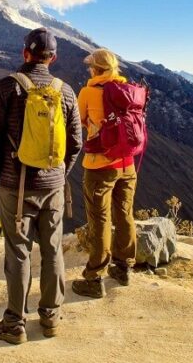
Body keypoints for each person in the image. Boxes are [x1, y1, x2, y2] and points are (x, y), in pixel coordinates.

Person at [0, 28, 82, 344]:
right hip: (52, 186)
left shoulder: (7, 87)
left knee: (18, 251)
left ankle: (15, 322)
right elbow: (76, 142)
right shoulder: (65, 92)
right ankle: (50, 317)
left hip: (15, 186)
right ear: (53, 58)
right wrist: (60, 173)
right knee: (52, 250)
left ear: (25, 53)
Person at [71, 49, 138, 299]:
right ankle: (123, 268)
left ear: (95, 69)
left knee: (99, 219)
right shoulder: (127, 90)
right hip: (127, 164)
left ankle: (95, 276)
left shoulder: (88, 92)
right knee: (124, 214)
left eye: (91, 66)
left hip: (100, 165)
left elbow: (77, 121)